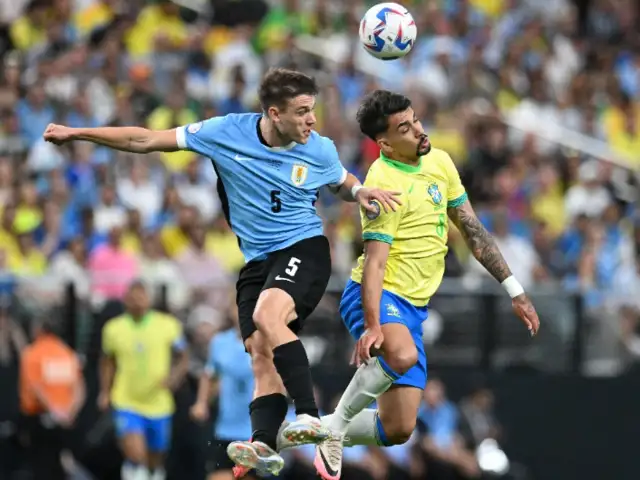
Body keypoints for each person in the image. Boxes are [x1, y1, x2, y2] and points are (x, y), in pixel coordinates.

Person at [43, 67, 401, 477]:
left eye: (313, 110)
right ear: (273, 113)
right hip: (257, 263)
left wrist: (359, 192)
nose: (312, 120)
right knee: (258, 351)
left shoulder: (318, 148)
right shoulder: (224, 132)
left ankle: (309, 416)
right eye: (302, 111)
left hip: (304, 248)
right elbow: (145, 139)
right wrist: (77, 133)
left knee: (269, 319)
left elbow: (340, 181)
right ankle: (265, 442)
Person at [279, 90, 540, 480]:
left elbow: (472, 230)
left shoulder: (441, 162)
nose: (418, 129)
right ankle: (333, 428)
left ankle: (297, 434)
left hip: (414, 308)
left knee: (398, 429)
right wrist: (371, 324)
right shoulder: (382, 183)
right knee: (398, 355)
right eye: (405, 127)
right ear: (384, 142)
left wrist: (515, 290)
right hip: (378, 294)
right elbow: (374, 263)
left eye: (415, 119)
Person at [98, 281, 189, 480]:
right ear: (126, 300)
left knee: (155, 457)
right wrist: (105, 391)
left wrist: (174, 377)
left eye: (141, 296)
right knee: (136, 453)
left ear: (149, 299)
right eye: (133, 297)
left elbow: (183, 356)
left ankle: (153, 474)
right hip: (127, 400)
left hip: (158, 402)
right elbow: (107, 362)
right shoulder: (114, 328)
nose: (138, 302)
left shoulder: (167, 325)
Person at [190, 302, 256, 480]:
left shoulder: (266, 341)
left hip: (254, 430)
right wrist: (201, 402)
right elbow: (209, 375)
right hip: (225, 428)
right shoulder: (219, 342)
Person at [19, 317, 85, 480]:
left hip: (41, 419)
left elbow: (35, 387)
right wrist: (70, 412)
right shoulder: (67, 353)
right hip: (67, 420)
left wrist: (55, 412)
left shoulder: (32, 353)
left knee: (42, 467)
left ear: (39, 330)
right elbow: (79, 388)